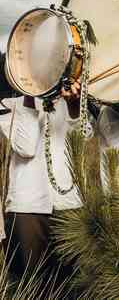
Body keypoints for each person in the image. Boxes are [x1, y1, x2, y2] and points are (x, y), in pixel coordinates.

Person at [0, 79, 91, 286]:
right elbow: (26, 146)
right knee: (31, 285)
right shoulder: (7, 105)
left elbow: (82, 140)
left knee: (71, 286)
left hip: (70, 205)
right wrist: (29, 94)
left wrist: (74, 107)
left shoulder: (70, 99)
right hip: (28, 209)